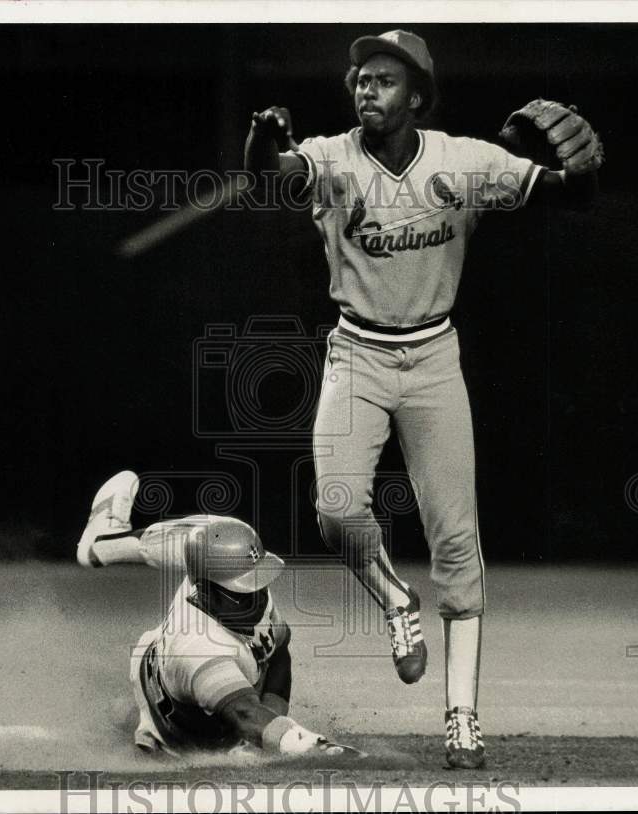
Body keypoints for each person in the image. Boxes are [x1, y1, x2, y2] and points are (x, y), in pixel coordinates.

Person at [243, 29, 601, 769]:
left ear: (416, 96)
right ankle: (397, 604)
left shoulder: (466, 160)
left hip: (435, 357)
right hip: (358, 353)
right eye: (360, 78)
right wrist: (262, 140)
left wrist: (585, 169)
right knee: (337, 507)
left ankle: (463, 718)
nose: (365, 88)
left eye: (383, 79)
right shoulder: (334, 157)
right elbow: (272, 179)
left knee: (458, 545)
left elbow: (568, 193)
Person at [76, 470, 361, 759]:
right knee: (130, 717)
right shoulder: (198, 644)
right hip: (187, 736)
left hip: (177, 668)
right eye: (242, 589)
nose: (256, 596)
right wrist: (315, 745)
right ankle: (136, 725)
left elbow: (278, 652)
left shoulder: (236, 578)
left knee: (214, 530)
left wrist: (272, 718)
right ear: (204, 590)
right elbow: (244, 714)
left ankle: (103, 543)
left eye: (258, 581)